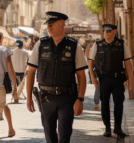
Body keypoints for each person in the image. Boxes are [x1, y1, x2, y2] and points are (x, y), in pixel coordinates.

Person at [26, 11, 88, 143]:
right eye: (47, 24)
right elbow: (31, 72)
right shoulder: (40, 45)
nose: (48, 27)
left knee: (64, 135)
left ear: (62, 24)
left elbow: (82, 76)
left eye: (51, 24)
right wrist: (28, 98)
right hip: (46, 98)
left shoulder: (74, 46)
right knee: (49, 135)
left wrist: (80, 99)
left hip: (67, 98)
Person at [88, 24, 133, 138]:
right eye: (105, 31)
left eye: (109, 31)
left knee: (119, 103)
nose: (106, 34)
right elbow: (91, 62)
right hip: (104, 79)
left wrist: (131, 82)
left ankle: (117, 127)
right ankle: (107, 128)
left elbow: (128, 64)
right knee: (104, 104)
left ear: (114, 32)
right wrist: (93, 77)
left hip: (118, 79)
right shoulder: (98, 45)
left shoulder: (121, 45)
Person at [84, 38, 100, 109]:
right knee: (97, 86)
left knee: (97, 87)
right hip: (96, 69)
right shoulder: (92, 47)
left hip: (94, 68)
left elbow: (87, 57)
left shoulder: (89, 47)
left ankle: (97, 103)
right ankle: (97, 103)